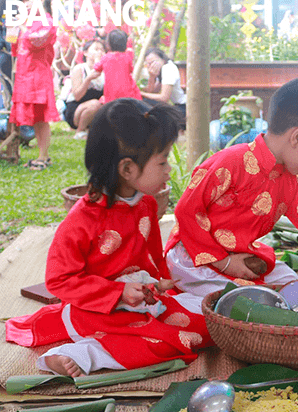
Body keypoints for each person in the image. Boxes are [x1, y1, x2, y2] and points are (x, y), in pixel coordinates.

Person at [5, 99, 213, 377]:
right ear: (127, 169)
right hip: (97, 311)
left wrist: (160, 281)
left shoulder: (146, 205)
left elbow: (152, 256)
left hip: (141, 302)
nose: (169, 170)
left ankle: (117, 340)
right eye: (162, 161)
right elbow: (59, 280)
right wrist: (117, 293)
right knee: (169, 344)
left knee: (206, 327)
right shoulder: (82, 221)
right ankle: (76, 354)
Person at [165, 77, 298, 300]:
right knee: (238, 302)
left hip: (240, 259)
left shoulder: (292, 183)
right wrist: (224, 262)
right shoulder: (229, 162)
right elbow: (186, 210)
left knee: (294, 285)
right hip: (194, 257)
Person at [9, 0, 58, 171]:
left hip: (38, 75)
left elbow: (35, 41)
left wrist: (21, 25)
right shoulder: (26, 21)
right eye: (22, 0)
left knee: (41, 118)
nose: (25, 4)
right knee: (37, 118)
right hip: (24, 74)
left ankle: (43, 156)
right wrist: (14, 28)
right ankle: (42, 155)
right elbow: (15, 46)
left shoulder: (46, 20)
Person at [64, 39, 105, 139]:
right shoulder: (80, 69)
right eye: (96, 49)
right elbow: (77, 96)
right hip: (76, 110)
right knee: (95, 103)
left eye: (102, 49)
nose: (99, 52)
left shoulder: (105, 72)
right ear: (86, 53)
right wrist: (89, 78)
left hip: (96, 109)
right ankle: (80, 131)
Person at [94, 29, 141, 103]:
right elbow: (131, 70)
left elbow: (97, 68)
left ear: (108, 44)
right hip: (128, 93)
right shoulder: (127, 57)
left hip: (112, 95)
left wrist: (97, 59)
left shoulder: (105, 57)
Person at [140, 48, 186, 121]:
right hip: (177, 106)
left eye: (153, 62)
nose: (151, 65)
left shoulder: (168, 68)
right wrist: (152, 77)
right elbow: (151, 91)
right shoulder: (161, 69)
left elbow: (164, 97)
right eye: (147, 64)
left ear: (163, 59)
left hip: (183, 107)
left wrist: (141, 93)